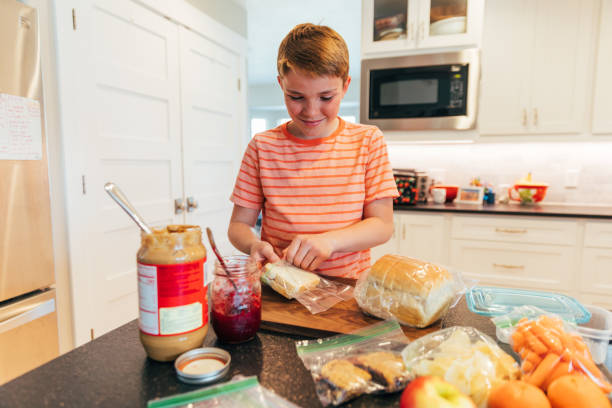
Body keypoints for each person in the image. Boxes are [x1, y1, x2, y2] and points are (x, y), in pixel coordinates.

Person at [228, 23, 398, 278]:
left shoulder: (368, 141)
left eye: (326, 98)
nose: (311, 111)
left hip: (348, 289)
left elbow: (383, 226)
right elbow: (239, 225)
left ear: (345, 86)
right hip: (280, 286)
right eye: (296, 97)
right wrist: (254, 245)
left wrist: (330, 242)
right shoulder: (262, 147)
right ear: (281, 85)